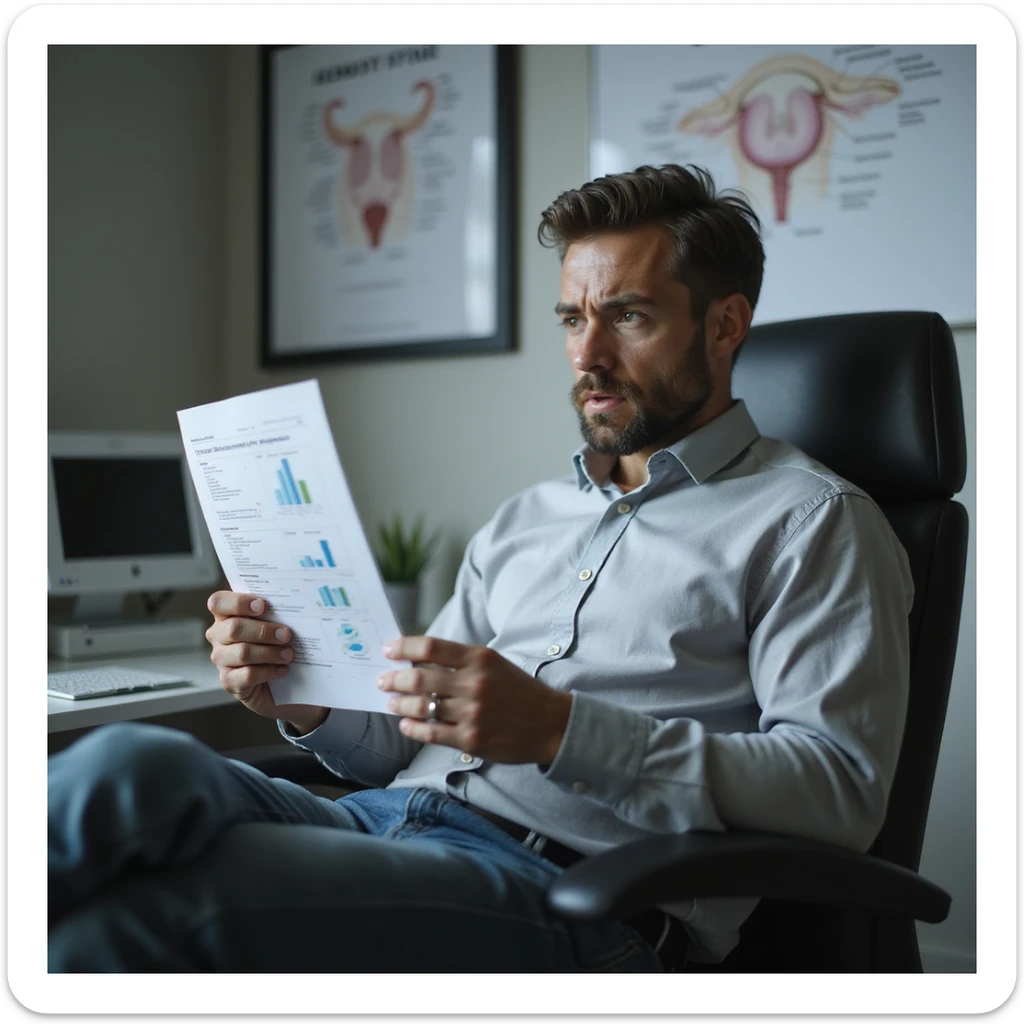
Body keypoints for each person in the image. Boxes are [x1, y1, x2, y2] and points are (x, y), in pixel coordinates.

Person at [48, 164, 913, 973]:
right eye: (573, 320)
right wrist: (305, 701)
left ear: (724, 325)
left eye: (628, 317)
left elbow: (840, 793)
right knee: (124, 765)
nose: (588, 355)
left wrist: (561, 731)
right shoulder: (525, 519)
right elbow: (403, 737)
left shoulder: (811, 521)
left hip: (567, 894)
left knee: (146, 914)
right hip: (375, 825)